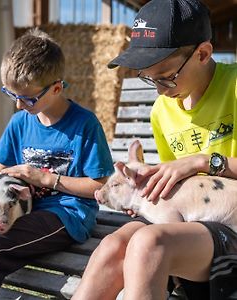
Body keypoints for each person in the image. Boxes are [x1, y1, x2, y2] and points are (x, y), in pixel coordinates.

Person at [72, 0, 237, 299]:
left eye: (166, 76)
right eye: (149, 78)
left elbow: (191, 172)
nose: (160, 90)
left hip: (231, 223)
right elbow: (175, 190)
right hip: (194, 222)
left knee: (149, 244)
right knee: (112, 247)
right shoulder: (162, 111)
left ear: (203, 53)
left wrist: (201, 161)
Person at [0, 28, 114, 300]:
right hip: (20, 210)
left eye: (28, 98)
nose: (19, 105)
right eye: (11, 95)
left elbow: (99, 187)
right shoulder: (20, 123)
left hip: (66, 214)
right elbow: (0, 169)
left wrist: (44, 179)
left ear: (56, 88)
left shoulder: (84, 125)